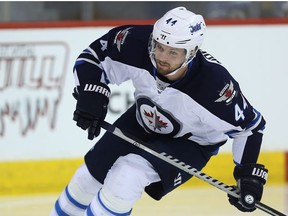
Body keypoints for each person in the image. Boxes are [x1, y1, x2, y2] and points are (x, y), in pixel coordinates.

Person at [50, 6, 268, 216]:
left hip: (191, 142)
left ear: (191, 53)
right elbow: (93, 56)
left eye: (173, 52)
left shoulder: (214, 86)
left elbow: (250, 127)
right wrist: (91, 90)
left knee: (126, 177)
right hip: (142, 119)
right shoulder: (135, 41)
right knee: (85, 179)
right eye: (159, 46)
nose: (162, 57)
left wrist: (247, 174)